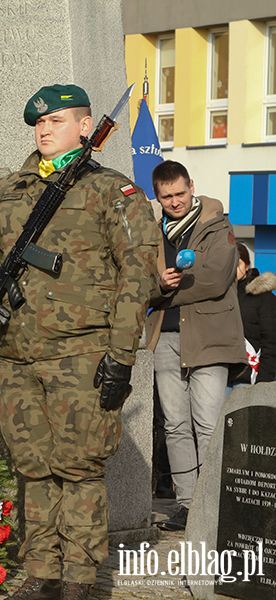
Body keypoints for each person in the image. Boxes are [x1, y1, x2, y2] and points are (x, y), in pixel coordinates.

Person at [0, 84, 159, 600]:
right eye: (39, 124)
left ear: (87, 127)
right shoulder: (7, 191)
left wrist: (122, 355)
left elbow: (140, 273)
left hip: (82, 354)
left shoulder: (111, 191)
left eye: (58, 121)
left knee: (80, 467)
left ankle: (80, 579)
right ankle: (41, 571)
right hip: (17, 356)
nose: (44, 130)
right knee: (33, 467)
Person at [146, 160, 246, 532]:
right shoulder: (154, 234)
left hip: (210, 339)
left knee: (207, 424)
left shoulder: (218, 227)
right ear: (157, 197)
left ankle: (214, 505)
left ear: (192, 186)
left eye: (180, 193)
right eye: (166, 196)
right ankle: (187, 505)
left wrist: (163, 294)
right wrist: (156, 286)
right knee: (174, 426)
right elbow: (142, 285)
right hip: (165, 340)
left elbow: (216, 280)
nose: (175, 201)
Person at [233, 243, 276, 386]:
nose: (233, 268)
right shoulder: (217, 295)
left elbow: (270, 339)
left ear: (247, 265)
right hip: (219, 375)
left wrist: (264, 379)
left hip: (249, 376)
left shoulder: (264, 297)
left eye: (237, 263)